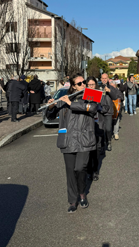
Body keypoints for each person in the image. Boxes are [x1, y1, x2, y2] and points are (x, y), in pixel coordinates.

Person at [46, 74, 97, 213]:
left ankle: (82, 193)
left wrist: (70, 103)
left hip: (84, 139)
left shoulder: (92, 94)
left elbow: (92, 109)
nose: (83, 85)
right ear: (73, 86)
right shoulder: (64, 99)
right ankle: (73, 200)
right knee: (70, 172)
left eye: (84, 82)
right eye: (79, 83)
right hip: (67, 140)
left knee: (80, 168)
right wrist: (51, 107)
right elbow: (50, 117)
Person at [99, 73, 120, 152]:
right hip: (100, 111)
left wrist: (109, 91)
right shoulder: (98, 88)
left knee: (108, 128)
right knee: (101, 129)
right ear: (101, 79)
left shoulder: (111, 87)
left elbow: (115, 96)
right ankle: (102, 145)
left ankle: (109, 141)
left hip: (108, 111)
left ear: (108, 79)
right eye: (102, 78)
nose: (104, 80)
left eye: (105, 78)